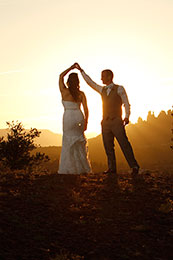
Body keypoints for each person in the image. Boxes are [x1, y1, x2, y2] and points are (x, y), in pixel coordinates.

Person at [75, 63, 139, 175]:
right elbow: (90, 83)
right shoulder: (102, 90)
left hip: (117, 121)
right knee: (108, 146)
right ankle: (111, 168)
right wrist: (81, 71)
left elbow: (126, 103)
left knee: (124, 144)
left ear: (109, 76)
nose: (101, 78)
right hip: (105, 122)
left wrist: (127, 116)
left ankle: (134, 166)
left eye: (103, 76)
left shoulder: (119, 88)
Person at [58, 64, 91, 174]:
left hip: (68, 117)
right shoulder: (81, 94)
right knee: (78, 142)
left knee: (68, 141)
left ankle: (69, 168)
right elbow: (86, 109)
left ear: (68, 81)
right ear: (78, 82)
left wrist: (71, 67)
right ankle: (81, 168)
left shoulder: (64, 91)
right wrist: (86, 122)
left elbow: (60, 76)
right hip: (78, 116)